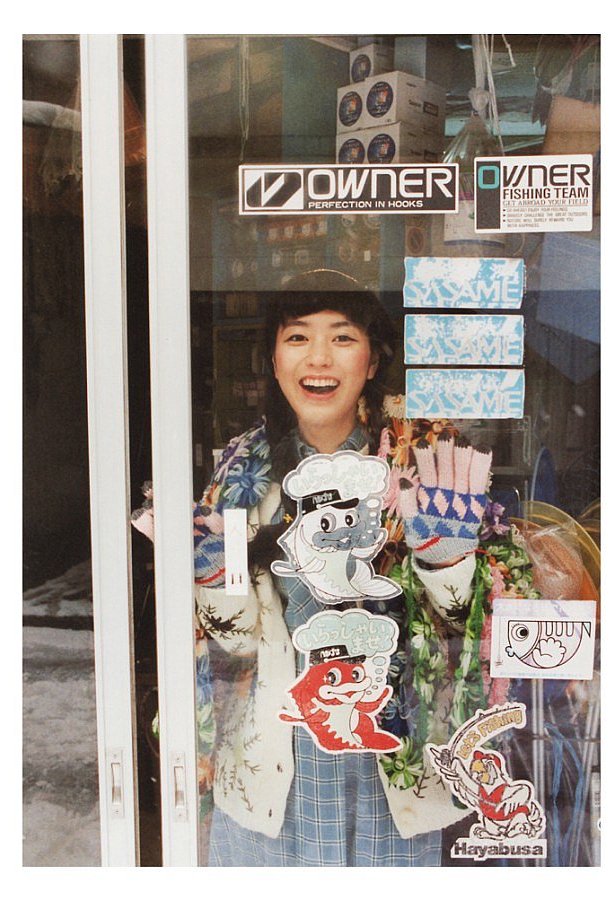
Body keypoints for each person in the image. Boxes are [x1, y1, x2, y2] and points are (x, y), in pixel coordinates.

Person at [132, 268, 539, 866]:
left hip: (392, 780)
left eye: (343, 337)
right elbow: (232, 650)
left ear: (373, 361)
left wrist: (448, 566)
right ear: (274, 360)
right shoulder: (241, 477)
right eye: (297, 337)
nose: (318, 357)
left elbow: (475, 633)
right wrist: (215, 582)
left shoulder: (427, 463)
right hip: (273, 779)